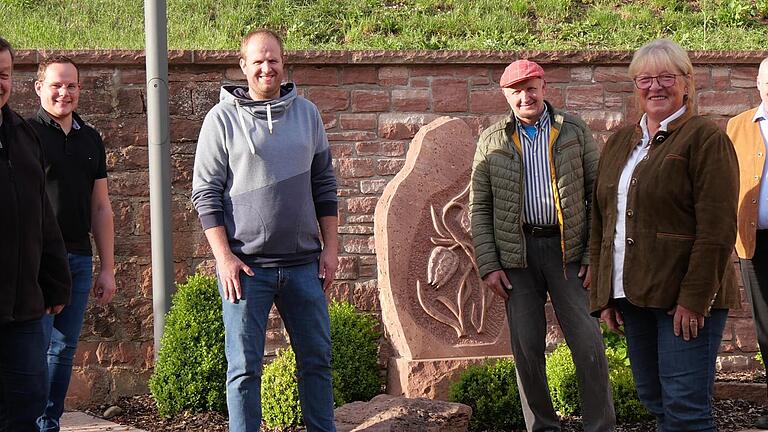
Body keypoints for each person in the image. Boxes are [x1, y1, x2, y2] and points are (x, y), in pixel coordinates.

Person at [191, 29, 338, 432]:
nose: (266, 67)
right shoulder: (220, 120)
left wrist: (331, 249)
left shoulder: (308, 115)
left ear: (283, 63)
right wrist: (224, 258)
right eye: (257, 60)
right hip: (246, 269)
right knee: (243, 370)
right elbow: (205, 193)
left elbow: (324, 184)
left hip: (304, 266)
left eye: (273, 59)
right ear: (243, 66)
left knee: (317, 362)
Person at [591, 39, 739, 431]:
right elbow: (603, 220)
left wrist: (694, 299)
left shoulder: (706, 139)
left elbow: (718, 229)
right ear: (635, 87)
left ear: (687, 83)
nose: (655, 87)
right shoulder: (621, 142)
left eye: (666, 77)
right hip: (633, 295)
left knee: (686, 411)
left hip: (684, 301)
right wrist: (604, 294)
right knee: (655, 401)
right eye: (645, 79)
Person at [470, 59, 615, 432]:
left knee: (587, 344)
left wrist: (592, 255)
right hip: (516, 256)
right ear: (506, 97)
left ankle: (600, 427)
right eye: (516, 91)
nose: (525, 96)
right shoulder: (492, 140)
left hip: (567, 252)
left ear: (544, 87)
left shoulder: (574, 131)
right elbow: (479, 207)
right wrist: (489, 264)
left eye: (531, 88)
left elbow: (598, 196)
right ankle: (543, 427)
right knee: (527, 349)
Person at [28, 55, 117, 432]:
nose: (64, 92)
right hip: (36, 262)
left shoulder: (90, 138)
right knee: (34, 349)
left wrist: (108, 269)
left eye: (71, 86)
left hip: (79, 260)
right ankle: (27, 422)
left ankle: (48, 422)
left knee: (63, 351)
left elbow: (101, 207)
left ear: (79, 89)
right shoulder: (25, 134)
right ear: (39, 88)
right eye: (56, 85)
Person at [0, 36, 71, 431]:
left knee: (28, 406)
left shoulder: (23, 136)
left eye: (4, 75)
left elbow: (43, 216)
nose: (0, 83)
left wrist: (57, 281)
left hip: (24, 307)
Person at [729, 56, 768, 430]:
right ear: (757, 84)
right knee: (766, 325)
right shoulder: (737, 126)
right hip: (754, 241)